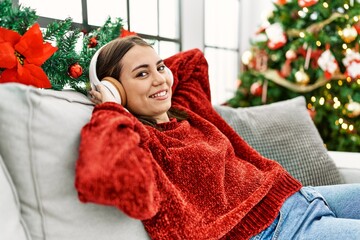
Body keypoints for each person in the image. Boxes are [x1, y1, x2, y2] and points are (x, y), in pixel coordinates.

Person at [75, 35, 360, 240]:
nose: (160, 79)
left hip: (300, 197)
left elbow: (194, 61)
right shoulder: (139, 141)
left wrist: (148, 63)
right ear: (118, 89)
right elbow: (103, 175)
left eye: (160, 67)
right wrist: (112, 105)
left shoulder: (187, 109)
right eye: (142, 74)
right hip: (279, 232)